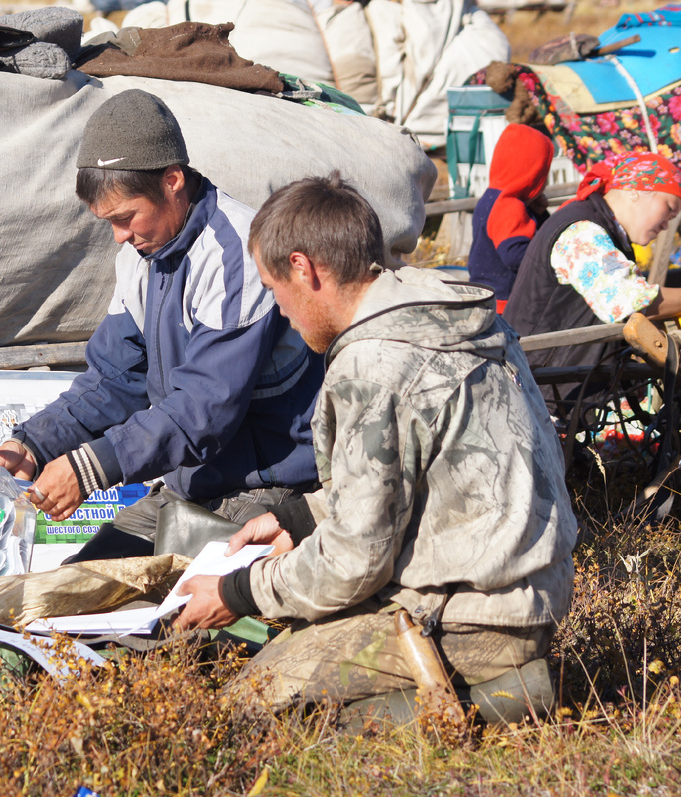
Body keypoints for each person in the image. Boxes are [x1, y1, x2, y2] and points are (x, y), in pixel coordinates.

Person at [173, 172, 578, 717]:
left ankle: (490, 702)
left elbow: (352, 564)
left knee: (249, 705)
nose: (284, 315)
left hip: (470, 616)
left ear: (303, 267)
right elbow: (432, 478)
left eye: (276, 292)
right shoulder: (450, 316)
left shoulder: (375, 365)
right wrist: (299, 518)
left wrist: (237, 593)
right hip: (533, 590)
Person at [0, 89, 324, 560]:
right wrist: (34, 442)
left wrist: (90, 469)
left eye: (126, 217)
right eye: (109, 223)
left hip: (266, 489)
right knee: (74, 586)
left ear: (171, 181)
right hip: (191, 484)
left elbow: (202, 411)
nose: (119, 236)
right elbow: (114, 378)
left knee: (159, 622)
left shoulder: (237, 257)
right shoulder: (140, 257)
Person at [503, 152, 681, 408]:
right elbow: (628, 300)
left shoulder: (607, 232)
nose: (667, 225)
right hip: (540, 395)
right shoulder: (582, 231)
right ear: (637, 190)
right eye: (668, 209)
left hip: (564, 388)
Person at [467, 124, 554, 306]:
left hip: (485, 293)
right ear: (531, 175)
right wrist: (553, 261)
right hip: (505, 303)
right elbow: (515, 255)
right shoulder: (509, 205)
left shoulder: (490, 197)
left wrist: (537, 214)